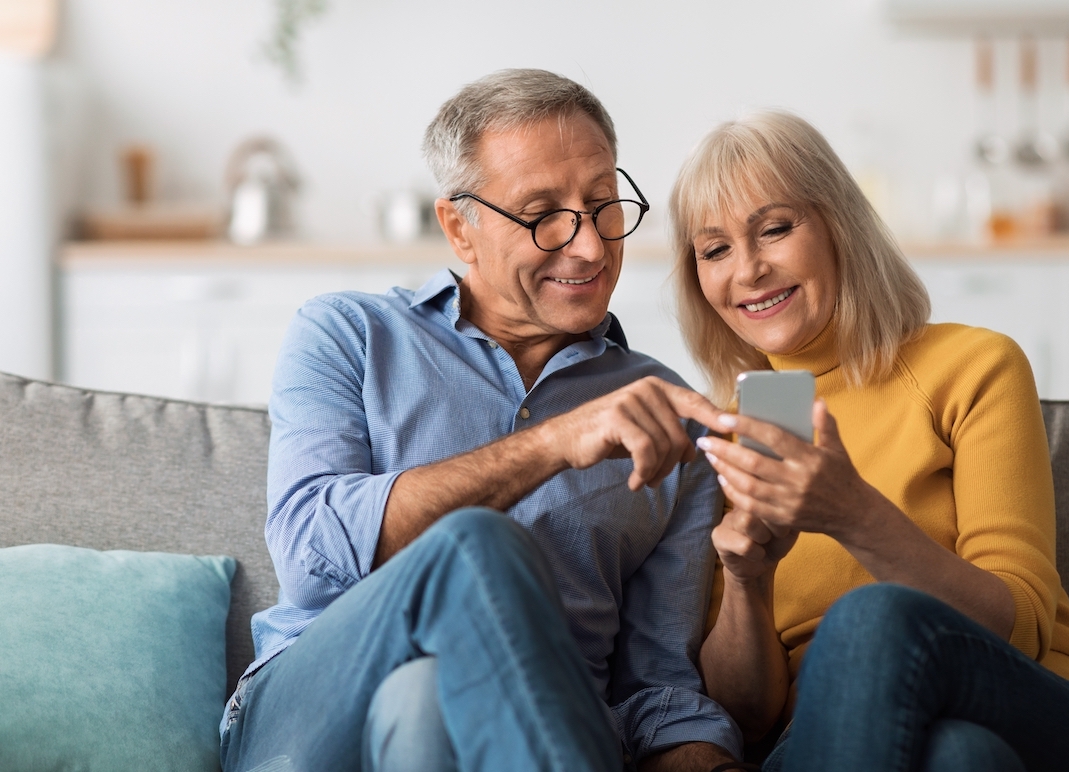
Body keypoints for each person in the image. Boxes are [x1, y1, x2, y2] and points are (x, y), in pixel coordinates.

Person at [218, 69, 745, 772]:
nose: (589, 246)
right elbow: (312, 555)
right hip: (308, 718)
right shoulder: (348, 334)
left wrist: (704, 752)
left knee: (428, 701)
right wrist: (552, 443)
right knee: (473, 544)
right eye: (543, 214)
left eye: (602, 204)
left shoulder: (671, 417)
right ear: (459, 228)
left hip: (514, 733)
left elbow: (656, 685)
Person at [666, 110, 1069, 772]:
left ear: (840, 224)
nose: (749, 269)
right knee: (961, 758)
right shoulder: (727, 433)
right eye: (715, 249)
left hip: (1048, 713)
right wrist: (746, 579)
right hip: (842, 739)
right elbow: (747, 717)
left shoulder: (971, 366)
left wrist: (853, 514)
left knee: (871, 620)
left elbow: (1020, 626)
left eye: (775, 229)